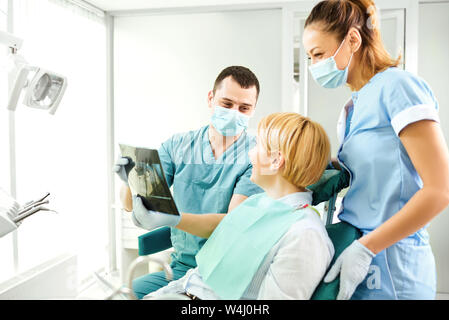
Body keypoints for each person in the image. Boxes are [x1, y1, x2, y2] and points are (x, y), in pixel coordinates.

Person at [302, 0, 449, 300]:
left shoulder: (398, 86)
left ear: (353, 40)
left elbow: (439, 191)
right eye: (309, 57)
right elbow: (377, 171)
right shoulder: (353, 105)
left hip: (393, 262)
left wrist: (367, 247)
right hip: (359, 252)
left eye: (318, 54)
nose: (314, 65)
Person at [142, 112, 334, 300]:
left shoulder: (304, 235)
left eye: (258, 145)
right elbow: (200, 279)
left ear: (276, 161)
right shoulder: (258, 203)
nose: (250, 153)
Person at [114, 66, 264, 299]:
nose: (235, 112)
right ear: (210, 98)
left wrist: (175, 219)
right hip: (181, 267)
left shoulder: (255, 157)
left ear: (253, 110)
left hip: (223, 274)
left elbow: (232, 225)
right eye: (227, 104)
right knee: (124, 294)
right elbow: (129, 205)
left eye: (244, 108)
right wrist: (129, 180)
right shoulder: (178, 145)